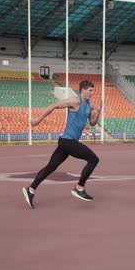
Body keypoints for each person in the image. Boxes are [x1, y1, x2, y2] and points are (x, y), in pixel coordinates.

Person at [22, 80, 101, 208]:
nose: (92, 93)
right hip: (67, 141)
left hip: (67, 142)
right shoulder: (75, 101)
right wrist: (38, 120)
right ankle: (79, 188)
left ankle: (30, 190)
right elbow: (54, 105)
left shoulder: (89, 105)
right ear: (83, 90)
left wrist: (98, 112)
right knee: (93, 159)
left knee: (50, 167)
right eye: (90, 90)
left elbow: (92, 122)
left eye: (93, 90)